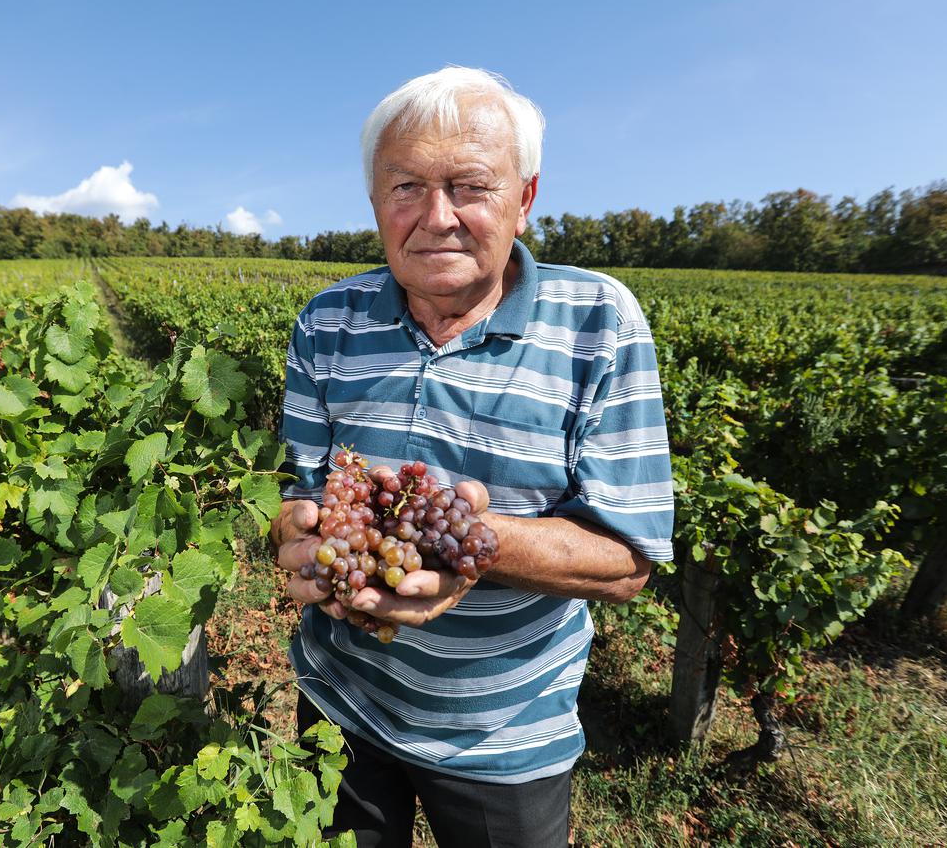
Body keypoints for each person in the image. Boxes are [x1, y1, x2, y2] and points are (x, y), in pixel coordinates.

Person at [270, 66, 674, 848]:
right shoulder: (326, 321)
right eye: (406, 187)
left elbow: (627, 559)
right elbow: (305, 486)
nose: (437, 217)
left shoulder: (600, 322)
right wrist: (300, 527)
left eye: (469, 186)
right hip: (338, 703)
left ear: (524, 200)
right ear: (374, 202)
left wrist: (468, 543)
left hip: (504, 738)